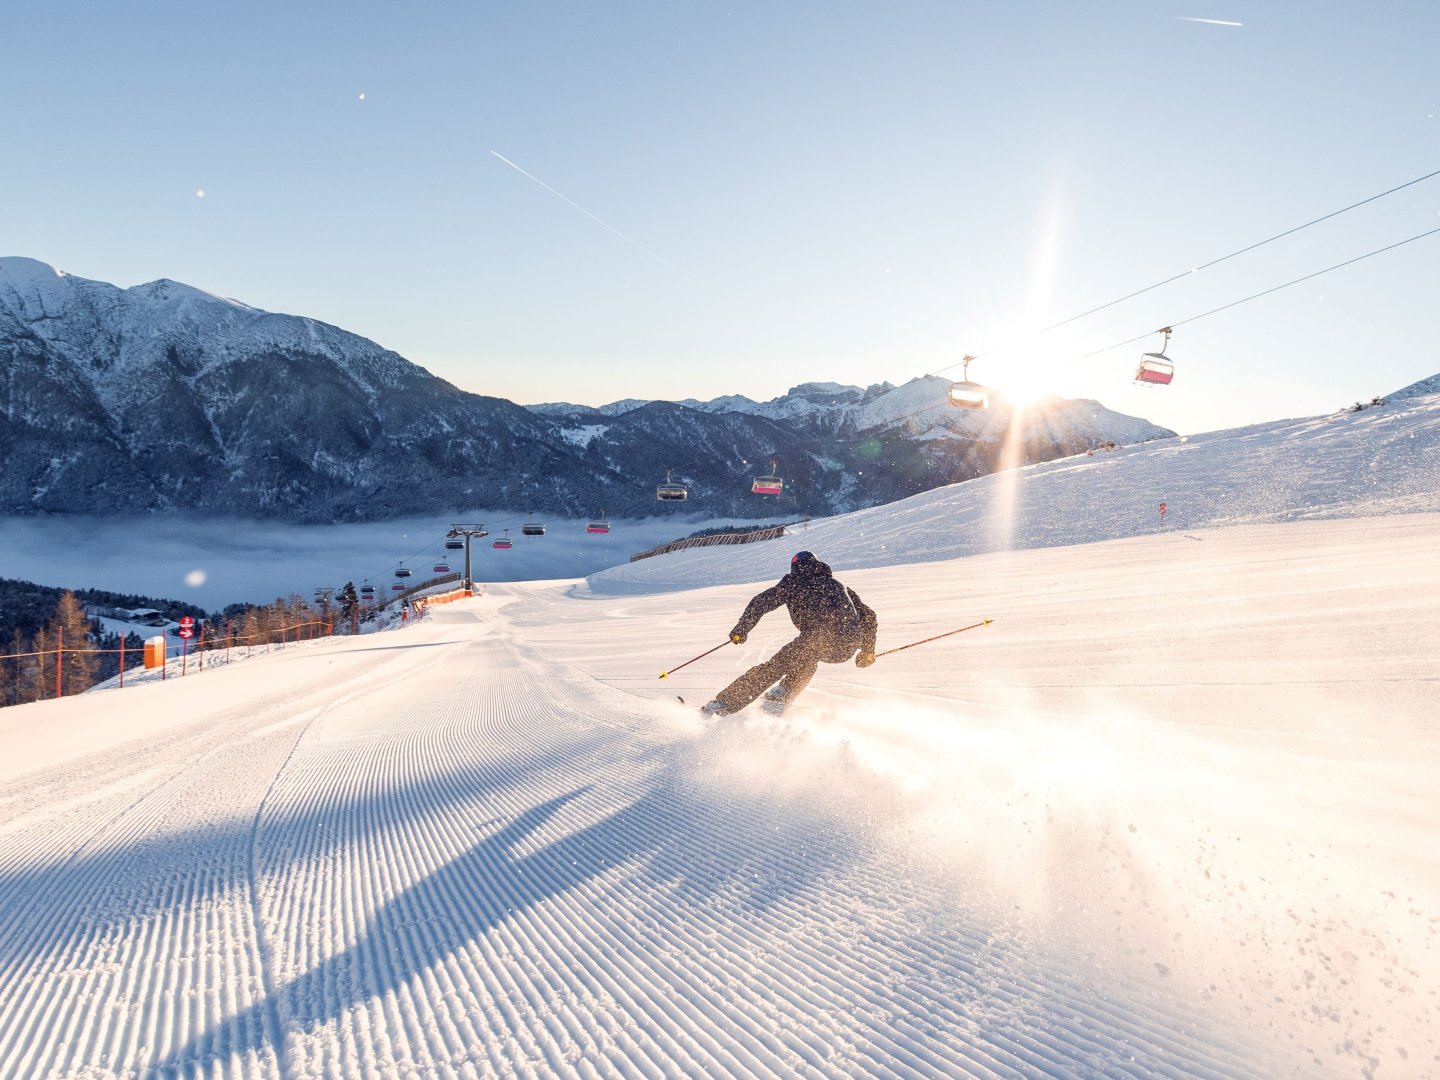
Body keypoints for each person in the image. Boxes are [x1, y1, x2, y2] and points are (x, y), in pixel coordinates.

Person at [701, 550, 877, 716]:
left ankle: (724, 704)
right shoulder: (839, 585)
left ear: (795, 567)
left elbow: (760, 602)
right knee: (806, 661)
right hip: (847, 647)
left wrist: (741, 629)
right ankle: (782, 695)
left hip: (818, 638)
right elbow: (868, 616)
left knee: (774, 667)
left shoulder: (793, 582)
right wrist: (867, 650)